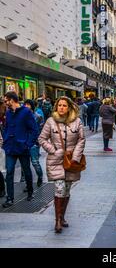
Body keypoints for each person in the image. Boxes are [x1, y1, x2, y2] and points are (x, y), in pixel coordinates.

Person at [38, 96, 85, 233]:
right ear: (56, 107)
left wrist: (76, 156)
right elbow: (42, 138)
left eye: (64, 105)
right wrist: (53, 150)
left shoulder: (77, 122)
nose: (62, 108)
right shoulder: (50, 121)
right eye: (59, 105)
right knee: (59, 189)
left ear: (69, 107)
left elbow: (81, 140)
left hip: (71, 162)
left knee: (67, 190)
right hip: (56, 161)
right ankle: (57, 220)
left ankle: (62, 216)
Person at [2, 91, 38, 208]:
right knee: (9, 172)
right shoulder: (8, 112)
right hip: (10, 147)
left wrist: (28, 144)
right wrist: (6, 140)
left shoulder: (26, 112)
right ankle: (10, 198)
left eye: (6, 100)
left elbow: (34, 130)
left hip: (23, 147)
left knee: (26, 170)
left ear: (12, 100)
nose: (5, 102)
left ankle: (30, 192)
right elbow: (7, 127)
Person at [23, 99, 44, 188]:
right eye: (25, 104)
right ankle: (27, 184)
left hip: (34, 142)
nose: (26, 106)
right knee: (25, 164)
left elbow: (39, 130)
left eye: (28, 104)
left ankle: (40, 176)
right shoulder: (22, 116)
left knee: (35, 162)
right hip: (23, 142)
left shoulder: (38, 117)